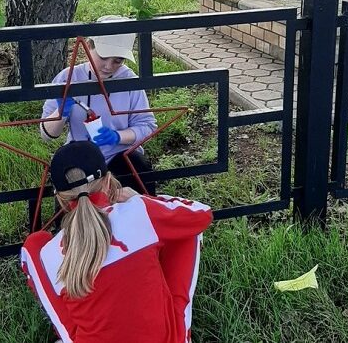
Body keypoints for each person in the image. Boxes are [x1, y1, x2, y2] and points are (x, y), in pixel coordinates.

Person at [21, 141, 213, 343]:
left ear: (60, 198)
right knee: (187, 229)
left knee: (34, 246)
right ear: (107, 180)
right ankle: (180, 334)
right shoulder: (139, 211)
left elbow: (66, 325)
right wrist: (142, 199)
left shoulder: (47, 254)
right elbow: (202, 214)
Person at [40, 16, 157, 194]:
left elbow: (147, 125)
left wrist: (117, 137)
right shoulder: (68, 77)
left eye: (117, 60)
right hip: (81, 156)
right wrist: (61, 112)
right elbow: (47, 134)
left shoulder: (129, 80)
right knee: (68, 181)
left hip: (121, 156)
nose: (108, 66)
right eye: (103, 57)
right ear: (88, 46)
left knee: (138, 166)